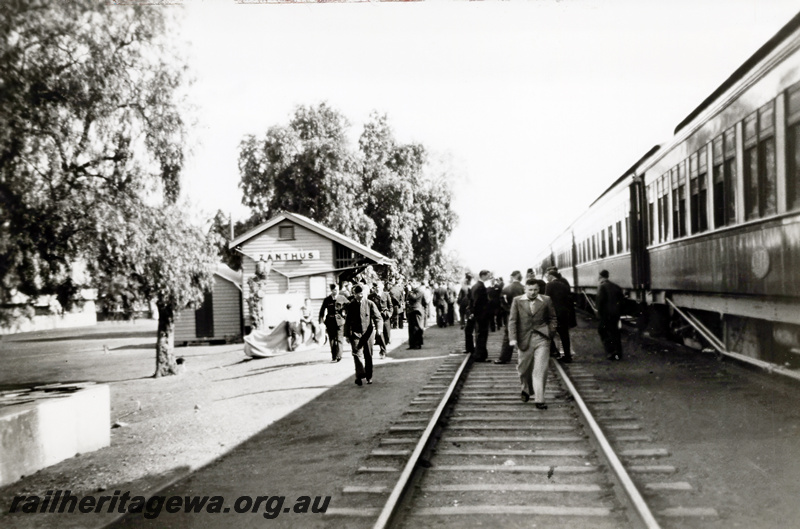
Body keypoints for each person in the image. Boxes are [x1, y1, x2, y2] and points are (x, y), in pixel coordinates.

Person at [507, 278, 557, 409]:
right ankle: (525, 388)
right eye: (530, 290)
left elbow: (552, 317)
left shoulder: (546, 300)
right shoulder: (517, 301)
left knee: (540, 369)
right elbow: (512, 321)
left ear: (538, 289)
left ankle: (539, 399)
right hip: (524, 339)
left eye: (535, 290)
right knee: (523, 369)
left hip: (542, 338)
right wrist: (513, 338)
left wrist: (550, 332)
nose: (533, 292)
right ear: (525, 289)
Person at [343, 284, 383, 386]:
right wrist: (347, 335)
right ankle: (360, 375)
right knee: (356, 354)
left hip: (368, 334)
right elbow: (347, 321)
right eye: (358, 294)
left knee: (368, 356)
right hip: (356, 334)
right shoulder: (351, 305)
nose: (360, 295)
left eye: (362, 293)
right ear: (354, 294)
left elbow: (378, 317)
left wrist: (379, 328)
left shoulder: (370, 304)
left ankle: (369, 376)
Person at [495, 270, 525, 364]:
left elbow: (502, 302)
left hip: (510, 315)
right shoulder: (524, 288)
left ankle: (504, 357)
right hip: (524, 314)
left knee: (508, 335)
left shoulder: (507, 288)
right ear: (521, 278)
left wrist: (509, 310)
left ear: (512, 277)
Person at [545, 267, 574, 363]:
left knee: (550, 333)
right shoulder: (564, 285)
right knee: (564, 335)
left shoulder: (549, 285)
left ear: (551, 276)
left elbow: (547, 299)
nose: (547, 278)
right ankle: (567, 356)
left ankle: (554, 352)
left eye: (547, 276)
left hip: (554, 315)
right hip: (564, 314)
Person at [596, 269, 624, 361]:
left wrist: (599, 314)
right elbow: (622, 300)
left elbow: (600, 302)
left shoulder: (602, 286)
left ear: (600, 277)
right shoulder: (616, 286)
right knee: (615, 332)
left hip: (605, 315)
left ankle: (610, 352)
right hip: (615, 314)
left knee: (602, 331)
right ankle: (618, 353)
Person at [319, 284, 346, 362]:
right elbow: (322, 310)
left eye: (337, 289)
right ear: (331, 290)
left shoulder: (342, 298)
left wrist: (345, 314)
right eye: (334, 290)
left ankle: (339, 355)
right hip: (330, 321)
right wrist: (321, 320)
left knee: (340, 339)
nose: (336, 291)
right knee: (332, 339)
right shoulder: (327, 299)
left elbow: (348, 306)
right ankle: (334, 356)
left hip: (340, 321)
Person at [470, 270, 492, 362]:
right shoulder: (480, 287)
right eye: (488, 275)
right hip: (482, 315)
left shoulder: (475, 286)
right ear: (483, 276)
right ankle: (480, 356)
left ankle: (480, 354)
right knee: (482, 335)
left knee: (480, 335)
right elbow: (477, 302)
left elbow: (472, 301)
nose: (489, 277)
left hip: (479, 314)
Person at [368, 282, 392, 358]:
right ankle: (383, 351)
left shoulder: (386, 294)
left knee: (387, 335)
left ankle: (385, 344)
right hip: (377, 317)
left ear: (382, 287)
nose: (377, 289)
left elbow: (390, 305)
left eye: (378, 287)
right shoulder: (371, 296)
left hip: (385, 316)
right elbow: (369, 307)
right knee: (380, 333)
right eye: (376, 287)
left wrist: (389, 313)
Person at [405, 280, 426, 349]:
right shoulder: (413, 291)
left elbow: (414, 297)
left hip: (417, 310)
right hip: (412, 310)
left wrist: (410, 291)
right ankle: (412, 344)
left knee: (417, 327)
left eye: (412, 284)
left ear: (417, 284)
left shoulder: (419, 290)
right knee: (411, 328)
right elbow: (407, 299)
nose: (411, 285)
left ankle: (417, 344)